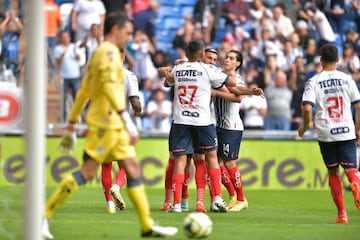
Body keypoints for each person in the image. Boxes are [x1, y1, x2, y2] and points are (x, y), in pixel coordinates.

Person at [41, 12, 178, 239]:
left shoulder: (100, 54)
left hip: (110, 122)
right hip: (105, 123)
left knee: (132, 168)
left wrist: (72, 124)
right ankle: (44, 217)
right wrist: (126, 118)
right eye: (128, 33)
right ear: (115, 30)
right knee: (87, 172)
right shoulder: (108, 53)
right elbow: (108, 89)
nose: (130, 37)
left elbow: (85, 90)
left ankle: (146, 226)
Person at [161, 40, 237, 213]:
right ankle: (216, 198)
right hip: (202, 121)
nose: (211, 61)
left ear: (187, 52)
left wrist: (167, 69)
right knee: (209, 157)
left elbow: (167, 81)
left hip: (181, 121)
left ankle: (178, 204)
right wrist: (225, 75)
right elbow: (231, 84)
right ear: (202, 55)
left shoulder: (178, 69)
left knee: (180, 161)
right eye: (208, 57)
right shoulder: (209, 70)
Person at [298, 44, 360, 224]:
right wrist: (357, 128)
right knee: (351, 169)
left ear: (321, 60)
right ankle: (356, 184)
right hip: (346, 130)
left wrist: (305, 126)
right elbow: (358, 105)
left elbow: (307, 107)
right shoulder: (347, 79)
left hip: (326, 132)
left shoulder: (314, 81)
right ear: (338, 59)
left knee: (333, 172)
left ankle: (342, 214)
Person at [212, 50, 264, 211]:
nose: (227, 60)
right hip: (218, 126)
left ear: (238, 64)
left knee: (228, 162)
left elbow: (238, 95)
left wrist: (250, 91)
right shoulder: (218, 76)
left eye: (231, 58)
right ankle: (233, 194)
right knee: (214, 162)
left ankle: (242, 199)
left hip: (231, 128)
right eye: (226, 57)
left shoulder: (238, 80)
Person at [101, 63, 143, 214]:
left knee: (106, 166)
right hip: (120, 125)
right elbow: (135, 102)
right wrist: (138, 110)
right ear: (123, 56)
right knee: (126, 164)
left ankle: (109, 205)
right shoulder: (128, 75)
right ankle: (117, 186)